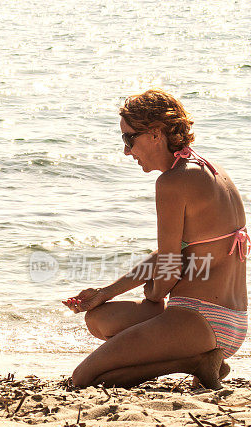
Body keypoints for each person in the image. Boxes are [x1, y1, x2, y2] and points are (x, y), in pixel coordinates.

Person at [63, 89, 248, 389]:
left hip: (199, 318)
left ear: (155, 134)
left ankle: (193, 362)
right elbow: (172, 254)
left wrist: (153, 294)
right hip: (231, 321)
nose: (126, 151)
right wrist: (106, 292)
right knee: (100, 318)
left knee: (83, 378)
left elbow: (169, 268)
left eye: (129, 139)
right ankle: (199, 358)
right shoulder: (209, 171)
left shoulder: (173, 182)